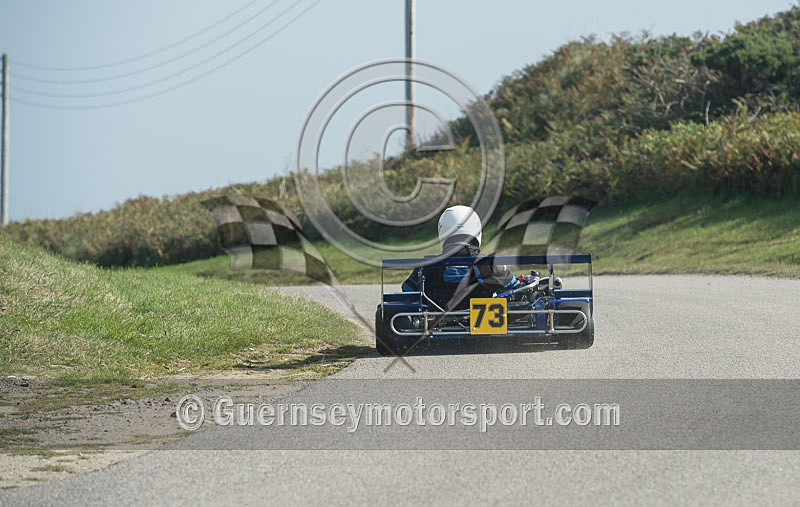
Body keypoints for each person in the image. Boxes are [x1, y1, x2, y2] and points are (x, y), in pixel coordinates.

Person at [401, 205, 522, 309]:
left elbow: (407, 292)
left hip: (438, 327)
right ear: (477, 230)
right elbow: (515, 289)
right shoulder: (489, 263)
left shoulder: (428, 265)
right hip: (487, 329)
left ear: (442, 231)